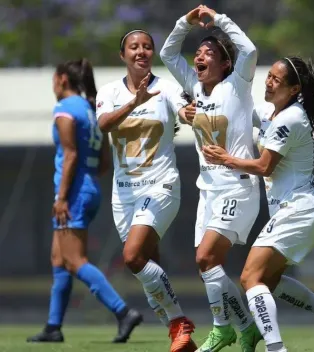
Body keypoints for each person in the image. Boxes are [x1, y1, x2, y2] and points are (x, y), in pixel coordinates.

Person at [202, 56, 314, 352]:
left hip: (298, 210)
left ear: (294, 89)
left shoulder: (290, 118)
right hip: (297, 211)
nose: (268, 82)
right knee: (267, 282)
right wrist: (199, 107)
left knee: (249, 277)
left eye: (276, 79)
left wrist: (226, 159)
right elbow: (242, 111)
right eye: (268, 75)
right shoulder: (274, 112)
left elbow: (264, 166)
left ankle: (275, 348)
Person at [160, 5, 263, 352]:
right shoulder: (193, 86)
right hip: (208, 191)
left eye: (210, 53)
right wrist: (185, 22)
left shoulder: (237, 85)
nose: (200, 57)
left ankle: (225, 328)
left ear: (225, 65)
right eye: (199, 52)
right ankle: (242, 328)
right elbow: (167, 52)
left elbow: (249, 49)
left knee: (206, 259)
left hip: (238, 186)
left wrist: (218, 19)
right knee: (207, 265)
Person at [27, 58, 142, 344]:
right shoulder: (91, 110)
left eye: (54, 79)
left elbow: (70, 155)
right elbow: (104, 161)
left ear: (62, 79)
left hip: (74, 192)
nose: (53, 85)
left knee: (74, 260)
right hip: (89, 187)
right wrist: (86, 181)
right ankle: (53, 327)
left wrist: (63, 197)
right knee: (60, 259)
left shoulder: (66, 109)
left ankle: (123, 311)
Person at [96, 29, 197, 352]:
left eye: (147, 47)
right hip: (123, 194)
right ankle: (181, 336)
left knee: (132, 257)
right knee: (147, 264)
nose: (141, 52)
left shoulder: (165, 87)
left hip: (161, 185)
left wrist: (190, 114)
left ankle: (180, 324)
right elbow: (104, 124)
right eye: (134, 47)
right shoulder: (110, 91)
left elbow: (183, 111)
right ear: (122, 55)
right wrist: (133, 103)